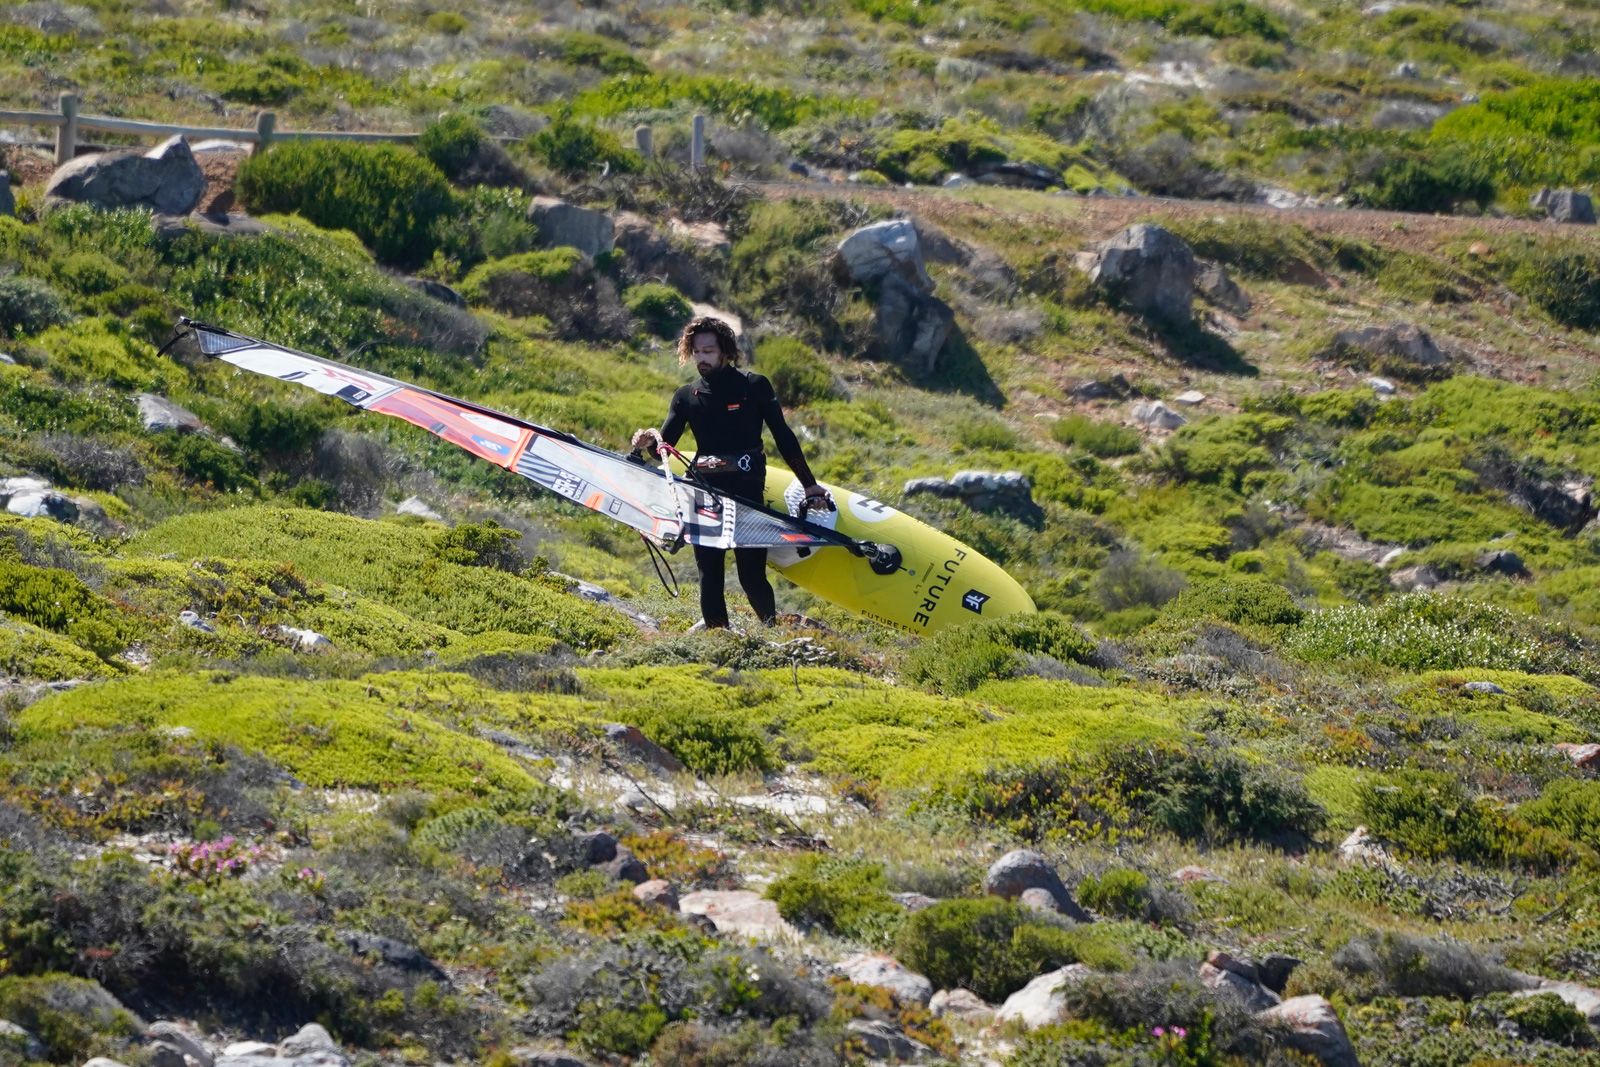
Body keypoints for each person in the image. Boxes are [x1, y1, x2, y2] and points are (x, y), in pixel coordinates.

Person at [631, 316, 833, 629]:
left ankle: (770, 630)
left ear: (725, 351)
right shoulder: (686, 397)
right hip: (703, 493)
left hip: (746, 494)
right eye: (697, 352)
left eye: (708, 351)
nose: (702, 358)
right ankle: (718, 639)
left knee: (751, 577)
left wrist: (809, 485)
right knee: (709, 575)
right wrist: (647, 443)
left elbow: (784, 436)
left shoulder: (754, 387)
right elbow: (664, 448)